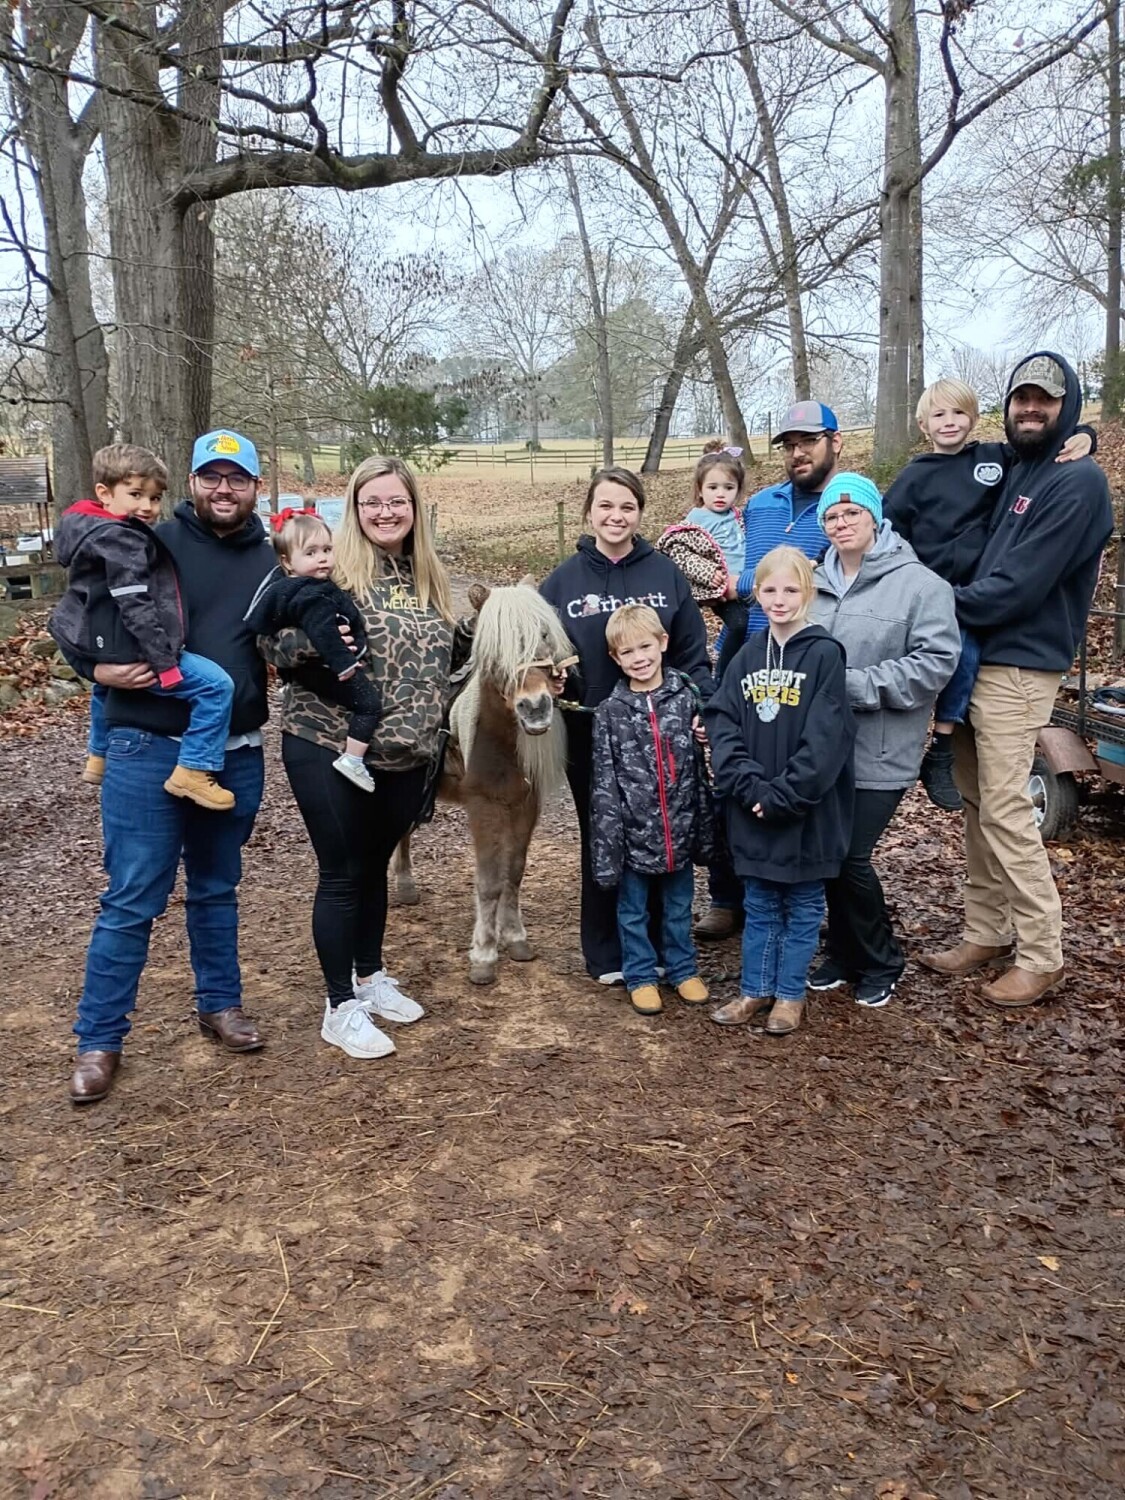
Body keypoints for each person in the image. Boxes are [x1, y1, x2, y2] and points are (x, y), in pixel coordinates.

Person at [67, 428, 276, 1105]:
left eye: (236, 478)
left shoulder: (270, 558)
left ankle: (220, 1005)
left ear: (254, 486)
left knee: (216, 888)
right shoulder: (146, 536)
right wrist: (93, 667)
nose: (223, 488)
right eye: (211, 476)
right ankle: (99, 1040)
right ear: (192, 482)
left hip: (233, 753)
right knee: (132, 898)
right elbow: (71, 613)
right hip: (144, 745)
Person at [260, 455, 473, 1059]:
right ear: (354, 509)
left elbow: (451, 662)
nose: (385, 512)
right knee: (342, 874)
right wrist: (314, 643)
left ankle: (370, 978)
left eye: (396, 501)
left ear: (414, 509)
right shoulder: (329, 570)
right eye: (371, 502)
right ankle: (339, 1006)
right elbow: (272, 639)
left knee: (374, 869)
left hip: (406, 754)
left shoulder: (429, 578)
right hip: (329, 745)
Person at [919, 352, 1114, 1009]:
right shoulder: (1021, 466)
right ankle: (987, 928)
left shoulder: (1077, 483)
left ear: (1069, 404)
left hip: (1020, 661)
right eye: (1021, 398)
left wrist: (928, 604)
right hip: (977, 654)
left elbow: (1019, 586)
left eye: (1046, 400)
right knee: (975, 799)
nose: (1031, 409)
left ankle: (1041, 954)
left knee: (1004, 805)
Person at [886, 380, 1095, 810]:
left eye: (958, 413)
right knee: (927, 666)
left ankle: (940, 749)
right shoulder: (914, 476)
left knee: (965, 658)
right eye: (939, 415)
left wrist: (1086, 435)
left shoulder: (996, 459)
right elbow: (885, 529)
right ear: (923, 424)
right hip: (933, 594)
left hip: (974, 601)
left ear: (975, 419)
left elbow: (1041, 448)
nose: (949, 423)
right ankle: (902, 752)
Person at [540, 466, 713, 985]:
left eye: (627, 507)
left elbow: (693, 654)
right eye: (606, 506)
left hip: (664, 731)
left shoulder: (665, 574)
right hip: (593, 730)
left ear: (640, 513)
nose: (616, 516)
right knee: (605, 835)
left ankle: (663, 946)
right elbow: (543, 658)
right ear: (590, 512)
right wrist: (553, 685)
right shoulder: (563, 582)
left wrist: (700, 708)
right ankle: (607, 952)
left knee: (664, 834)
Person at [808, 473, 960, 1007]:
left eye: (852, 513)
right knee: (827, 854)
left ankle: (882, 959)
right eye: (831, 516)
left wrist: (856, 686)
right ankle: (843, 953)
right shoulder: (811, 582)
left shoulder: (921, 585)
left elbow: (936, 663)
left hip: (880, 748)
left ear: (875, 517)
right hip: (821, 751)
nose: (841, 523)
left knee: (850, 855)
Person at [696, 399, 841, 939]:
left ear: (834, 442)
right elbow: (730, 572)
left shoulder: (845, 505)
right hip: (750, 658)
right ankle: (728, 897)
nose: (798, 452)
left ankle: (805, 905)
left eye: (809, 440)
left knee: (799, 779)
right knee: (732, 782)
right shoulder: (758, 506)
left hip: (808, 664)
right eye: (789, 444)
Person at [705, 546, 856, 1036]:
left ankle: (790, 995)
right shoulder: (747, 654)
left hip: (806, 811)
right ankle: (755, 989)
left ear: (807, 593)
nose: (779, 599)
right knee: (761, 902)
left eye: (790, 589)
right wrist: (746, 784)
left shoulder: (825, 654)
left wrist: (783, 795)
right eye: (769, 589)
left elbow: (827, 738)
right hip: (750, 805)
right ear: (756, 594)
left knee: (805, 903)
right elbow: (722, 722)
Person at [50, 443, 237, 811]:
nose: (148, 508)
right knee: (217, 687)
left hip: (108, 642)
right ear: (104, 492)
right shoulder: (121, 538)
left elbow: (73, 605)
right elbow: (136, 605)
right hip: (138, 647)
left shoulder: (86, 529)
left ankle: (98, 754)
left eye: (154, 498)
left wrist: (90, 659)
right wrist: (164, 663)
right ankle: (194, 769)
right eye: (135, 495)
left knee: (103, 691)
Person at [590, 604, 713, 1015]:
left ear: (663, 643)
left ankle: (682, 969)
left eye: (645, 646)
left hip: (678, 829)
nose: (639, 658)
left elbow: (699, 769)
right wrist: (610, 844)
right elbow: (604, 782)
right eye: (627, 652)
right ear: (615, 658)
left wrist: (703, 826)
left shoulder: (686, 697)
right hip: (633, 834)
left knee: (679, 909)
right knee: (632, 912)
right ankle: (641, 975)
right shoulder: (611, 712)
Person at [245, 508, 383, 791]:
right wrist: (345, 665)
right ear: (287, 561)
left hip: (307, 672)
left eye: (327, 550)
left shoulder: (285, 586)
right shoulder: (314, 594)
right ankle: (353, 759)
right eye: (311, 553)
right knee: (369, 703)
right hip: (330, 669)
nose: (322, 558)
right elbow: (323, 631)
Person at [682, 449, 748, 679]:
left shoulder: (737, 515)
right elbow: (681, 550)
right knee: (740, 624)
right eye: (713, 488)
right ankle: (722, 673)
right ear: (700, 489)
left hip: (745, 583)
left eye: (728, 488)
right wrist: (708, 574)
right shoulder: (696, 518)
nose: (720, 494)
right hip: (717, 586)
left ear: (738, 490)